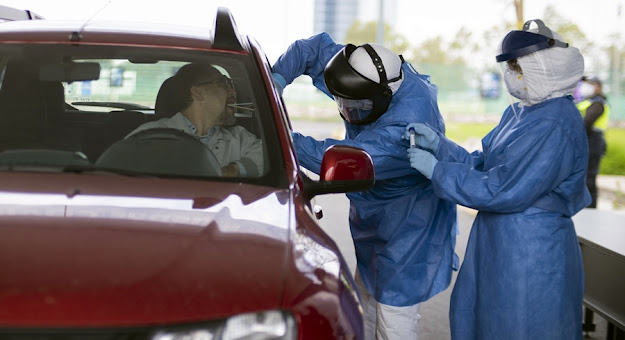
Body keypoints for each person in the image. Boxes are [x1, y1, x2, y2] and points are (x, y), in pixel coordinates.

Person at [401, 19, 591, 339]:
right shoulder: (518, 113)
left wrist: (437, 170)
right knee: (486, 319)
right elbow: (483, 165)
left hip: (531, 246)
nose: (511, 77)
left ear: (544, 68)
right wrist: (441, 147)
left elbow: (505, 189)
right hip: (497, 239)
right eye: (510, 68)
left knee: (522, 324)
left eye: (518, 68)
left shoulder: (557, 122)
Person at [271, 32, 458, 339]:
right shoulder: (360, 71)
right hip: (373, 211)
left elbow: (344, 157)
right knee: (365, 300)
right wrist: (277, 78)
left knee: (393, 314)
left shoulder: (408, 124)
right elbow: (313, 50)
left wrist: (282, 140)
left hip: (408, 224)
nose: (345, 109)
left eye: (353, 105)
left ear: (381, 98)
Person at [127, 63, 263, 177]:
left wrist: (233, 170)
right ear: (198, 92)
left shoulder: (240, 138)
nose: (233, 92)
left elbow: (267, 159)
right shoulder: (150, 135)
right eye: (224, 83)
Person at [576, 75, 610, 208]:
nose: (587, 86)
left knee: (589, 177)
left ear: (598, 87)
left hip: (593, 141)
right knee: (583, 176)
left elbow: (587, 122)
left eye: (591, 84)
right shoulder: (586, 101)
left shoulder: (598, 103)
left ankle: (590, 207)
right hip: (587, 141)